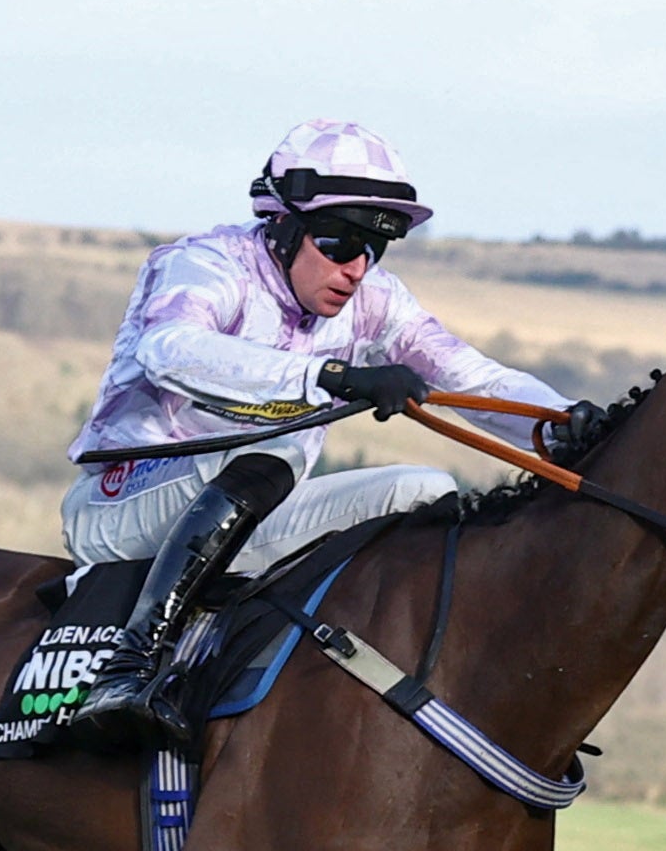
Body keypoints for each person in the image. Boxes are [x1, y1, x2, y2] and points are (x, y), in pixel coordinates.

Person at [58, 120, 594, 751]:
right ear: (282, 226)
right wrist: (332, 376)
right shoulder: (206, 265)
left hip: (248, 514)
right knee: (277, 445)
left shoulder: (376, 302)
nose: (356, 268)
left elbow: (468, 375)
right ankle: (128, 670)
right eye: (340, 243)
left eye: (375, 249)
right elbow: (171, 349)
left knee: (426, 490)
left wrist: (568, 424)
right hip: (119, 505)